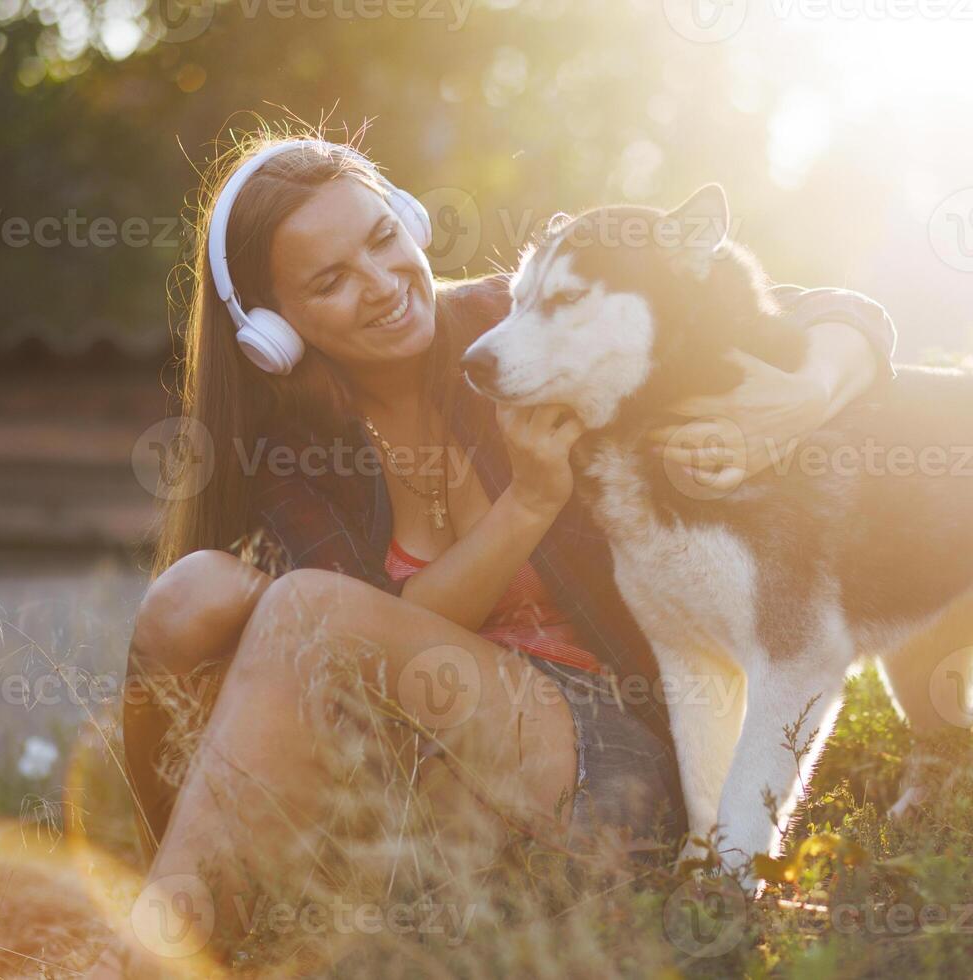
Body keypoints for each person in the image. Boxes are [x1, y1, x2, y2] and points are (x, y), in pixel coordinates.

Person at [114, 133, 897, 962]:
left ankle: (145, 959)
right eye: (331, 281)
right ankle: (194, 920)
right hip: (422, 781)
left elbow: (824, 309)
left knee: (305, 608)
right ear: (273, 328)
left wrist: (804, 395)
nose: (382, 286)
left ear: (410, 223)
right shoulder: (294, 449)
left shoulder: (521, 317)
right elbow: (364, 640)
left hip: (608, 763)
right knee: (190, 593)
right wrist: (528, 501)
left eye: (383, 240)